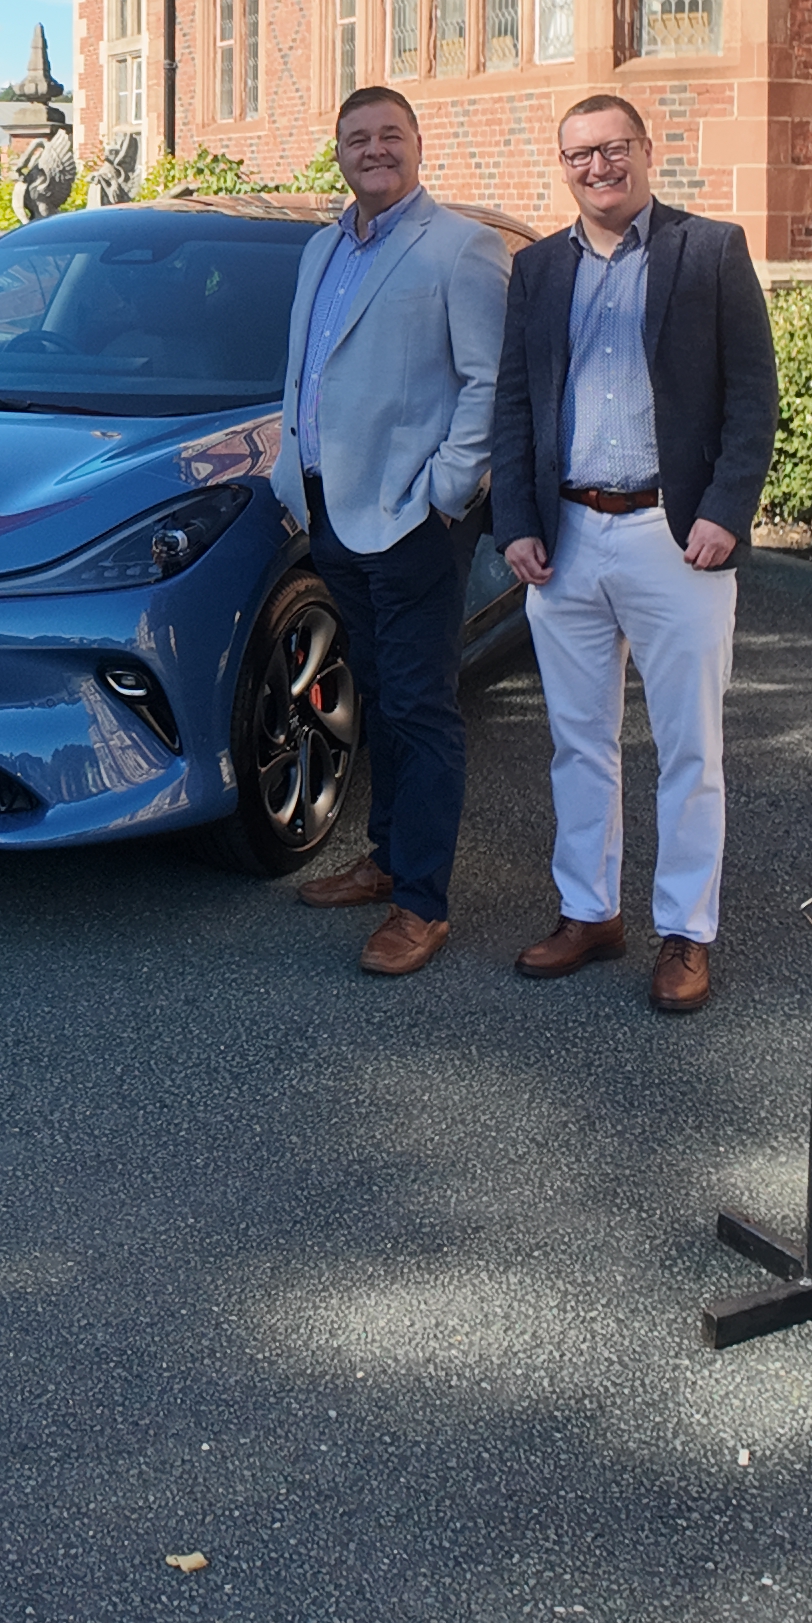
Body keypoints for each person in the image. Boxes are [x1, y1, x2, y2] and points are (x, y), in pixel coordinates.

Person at [492, 95, 778, 1013]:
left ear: (646, 150)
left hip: (676, 537)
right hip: (567, 538)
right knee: (579, 743)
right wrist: (516, 521)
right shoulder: (538, 268)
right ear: (563, 166)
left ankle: (686, 931)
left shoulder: (711, 250)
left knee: (690, 747)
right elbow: (514, 404)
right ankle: (590, 913)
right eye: (579, 154)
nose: (598, 167)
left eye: (613, 148)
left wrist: (725, 511)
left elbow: (753, 397)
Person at [273, 88, 510, 976]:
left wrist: (445, 492)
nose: (373, 150)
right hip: (331, 510)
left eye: (389, 136)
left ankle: (422, 903)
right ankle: (385, 858)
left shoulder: (461, 247)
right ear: (338, 152)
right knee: (376, 692)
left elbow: (488, 383)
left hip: (414, 518)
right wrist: (291, 474)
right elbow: (307, 373)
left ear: (417, 144)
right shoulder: (322, 249)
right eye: (356, 138)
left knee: (420, 705)